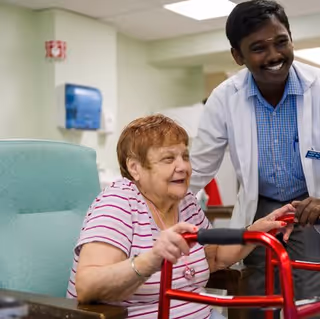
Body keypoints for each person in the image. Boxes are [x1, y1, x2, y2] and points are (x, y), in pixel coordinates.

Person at [189, 1, 320, 318]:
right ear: (238, 56)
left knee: (312, 302)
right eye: (258, 48)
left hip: (310, 208)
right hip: (261, 206)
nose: (273, 55)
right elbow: (196, 170)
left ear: (291, 38)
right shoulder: (224, 98)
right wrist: (148, 210)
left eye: (281, 42)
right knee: (259, 297)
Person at [66, 114, 295, 319]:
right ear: (135, 168)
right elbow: (88, 286)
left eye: (185, 156)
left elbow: (214, 258)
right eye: (169, 159)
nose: (183, 167)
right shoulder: (118, 202)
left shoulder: (186, 203)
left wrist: (257, 230)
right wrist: (152, 259)